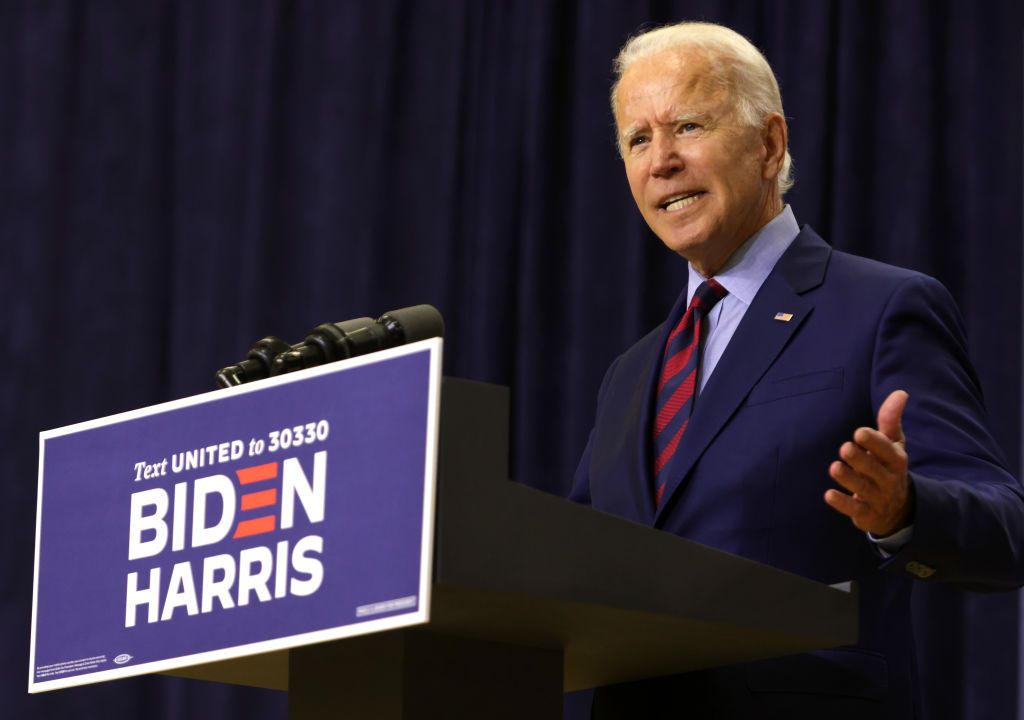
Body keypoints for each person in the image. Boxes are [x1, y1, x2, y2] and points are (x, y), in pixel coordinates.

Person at [569, 21, 1024, 719]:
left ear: (769, 143)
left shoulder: (882, 308)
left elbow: (1005, 531)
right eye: (638, 139)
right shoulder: (629, 375)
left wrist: (904, 512)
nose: (660, 160)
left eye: (687, 126)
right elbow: (566, 570)